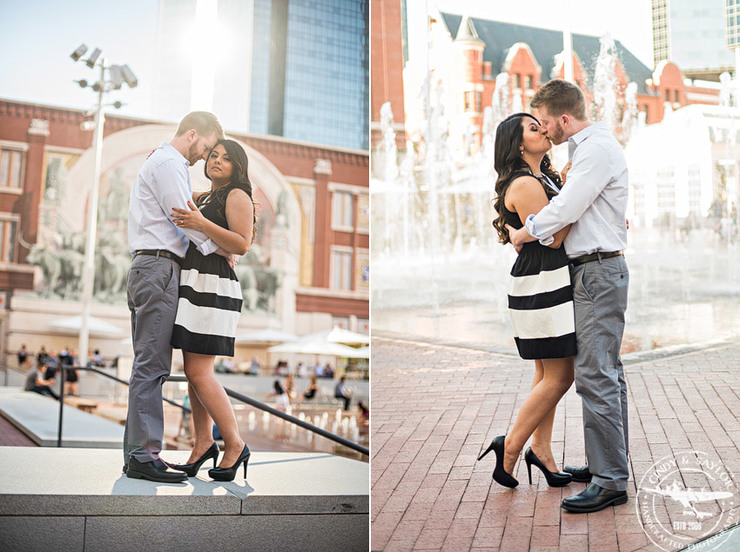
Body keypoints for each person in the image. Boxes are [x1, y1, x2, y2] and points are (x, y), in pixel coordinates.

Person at [507, 79, 630, 513]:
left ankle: (611, 480)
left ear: (563, 118)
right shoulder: (586, 151)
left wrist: (524, 231)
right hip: (593, 270)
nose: (544, 129)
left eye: (544, 122)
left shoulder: (594, 150)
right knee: (605, 374)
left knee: (597, 375)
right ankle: (608, 466)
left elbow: (567, 210)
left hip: (596, 271)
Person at [124, 111, 225, 484]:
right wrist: (221, 248)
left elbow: (186, 207)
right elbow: (185, 217)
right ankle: (143, 455)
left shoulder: (165, 162)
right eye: (207, 147)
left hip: (152, 268)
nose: (206, 156)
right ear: (194, 134)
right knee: (152, 366)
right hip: (159, 268)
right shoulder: (169, 162)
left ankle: (138, 454)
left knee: (147, 363)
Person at [478, 112, 575, 491]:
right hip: (542, 282)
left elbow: (546, 230)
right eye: (533, 129)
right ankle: (511, 446)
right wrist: (570, 192)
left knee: (545, 374)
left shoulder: (542, 178)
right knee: (560, 375)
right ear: (519, 144)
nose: (543, 130)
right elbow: (556, 236)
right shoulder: (524, 182)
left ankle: (543, 450)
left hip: (543, 280)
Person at [168, 138, 256, 482]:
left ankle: (234, 443)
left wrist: (202, 224)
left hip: (214, 286)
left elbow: (243, 243)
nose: (216, 161)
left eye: (225, 158)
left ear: (237, 166)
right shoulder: (206, 198)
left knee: (200, 372)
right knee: (193, 370)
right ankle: (202, 442)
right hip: (196, 282)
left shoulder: (237, 196)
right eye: (213, 156)